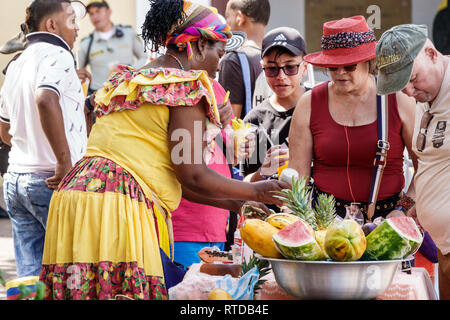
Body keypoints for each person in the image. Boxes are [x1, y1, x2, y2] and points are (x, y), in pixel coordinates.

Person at [39, 0, 288, 300]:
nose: (218, 65)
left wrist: (235, 203)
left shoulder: (129, 80)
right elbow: (194, 174)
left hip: (76, 196)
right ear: (195, 46)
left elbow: (177, 178)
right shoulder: (186, 88)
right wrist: (257, 191)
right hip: (117, 204)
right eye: (218, 54)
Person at [288, 16, 418, 222]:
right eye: (332, 67)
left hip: (388, 220)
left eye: (349, 66)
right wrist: (296, 220)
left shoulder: (398, 100)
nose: (340, 73)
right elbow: (298, 178)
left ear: (369, 61)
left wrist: (403, 209)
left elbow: (424, 169)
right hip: (326, 222)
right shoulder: (309, 103)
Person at [0, 0, 88, 278]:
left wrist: (33, 145)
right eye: (72, 20)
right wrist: (63, 161)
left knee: (31, 279)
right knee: (69, 276)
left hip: (16, 181)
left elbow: (5, 131)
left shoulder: (17, 62)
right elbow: (45, 98)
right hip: (51, 180)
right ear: (52, 25)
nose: (76, 29)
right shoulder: (59, 55)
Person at [376, 24, 450, 299]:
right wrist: (406, 206)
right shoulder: (424, 99)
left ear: (431, 54)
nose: (408, 90)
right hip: (443, 248)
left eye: (413, 78)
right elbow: (429, 168)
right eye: (400, 84)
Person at [243, 27, 308, 183]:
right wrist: (263, 172)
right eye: (272, 68)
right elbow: (245, 183)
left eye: (290, 67)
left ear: (305, 67)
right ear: (262, 68)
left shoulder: (321, 105)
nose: (281, 76)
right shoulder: (254, 120)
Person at [77, 0, 148, 95]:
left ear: (108, 12)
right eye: (91, 14)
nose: (95, 16)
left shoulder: (128, 33)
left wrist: (130, 71)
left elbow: (144, 57)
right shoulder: (86, 43)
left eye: (98, 11)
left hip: (127, 93)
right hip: (99, 96)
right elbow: (79, 72)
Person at [218, 0, 270, 119]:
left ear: (239, 18)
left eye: (227, 17)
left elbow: (231, 123)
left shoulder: (233, 61)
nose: (226, 24)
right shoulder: (278, 60)